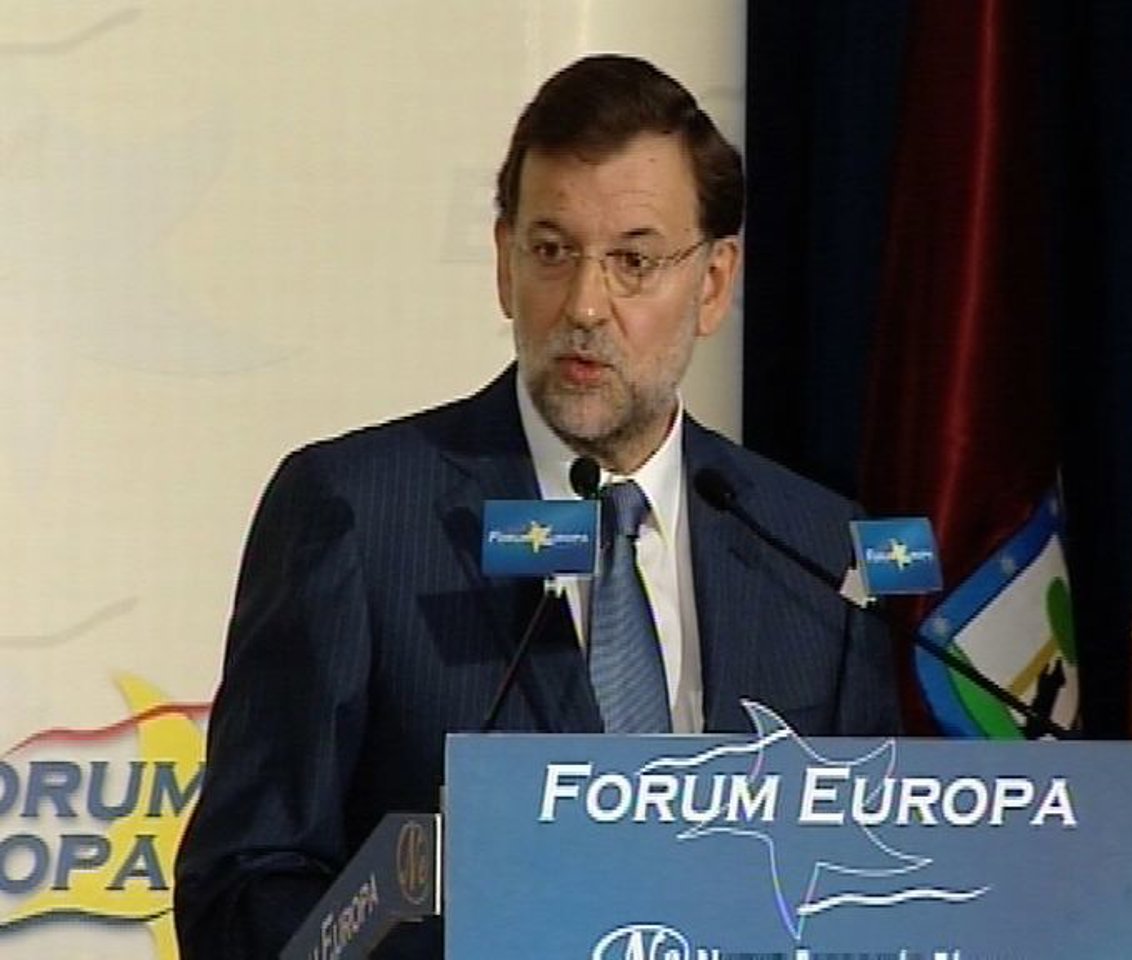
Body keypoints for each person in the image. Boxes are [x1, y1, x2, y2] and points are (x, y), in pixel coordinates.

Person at [174, 53, 899, 959]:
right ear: (504, 263)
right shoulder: (357, 513)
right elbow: (241, 891)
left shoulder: (813, 548)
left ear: (713, 283)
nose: (585, 306)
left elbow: (868, 887)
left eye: (634, 260)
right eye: (552, 252)